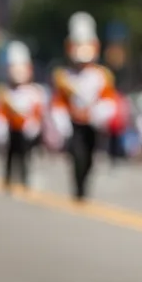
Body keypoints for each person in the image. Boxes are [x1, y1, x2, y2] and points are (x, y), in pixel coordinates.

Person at [51, 12, 117, 200]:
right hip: (74, 123)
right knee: (76, 154)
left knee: (89, 157)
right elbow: (59, 103)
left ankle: (84, 183)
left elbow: (108, 100)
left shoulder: (101, 75)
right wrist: (61, 122)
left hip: (92, 124)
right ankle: (77, 186)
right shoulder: (63, 76)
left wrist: (98, 114)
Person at [0, 41, 46, 189]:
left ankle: (24, 178)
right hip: (11, 129)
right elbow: (0, 113)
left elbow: (37, 111)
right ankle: (8, 178)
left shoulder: (34, 92)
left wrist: (34, 124)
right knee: (10, 155)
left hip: (26, 130)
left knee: (25, 155)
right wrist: (0, 128)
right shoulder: (4, 92)